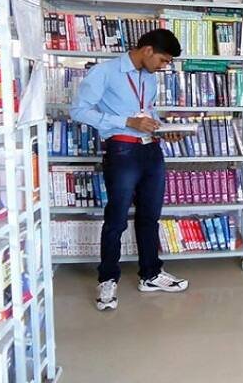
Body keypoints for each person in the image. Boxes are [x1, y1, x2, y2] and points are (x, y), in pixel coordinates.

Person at [71, 29, 189, 311]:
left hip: (152, 150)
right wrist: (126, 121)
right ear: (147, 50)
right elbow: (78, 110)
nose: (164, 66)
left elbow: (148, 112)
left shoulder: (149, 78)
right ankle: (107, 279)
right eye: (163, 59)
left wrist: (164, 129)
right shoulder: (105, 72)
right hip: (122, 150)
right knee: (116, 219)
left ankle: (151, 274)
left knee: (150, 217)